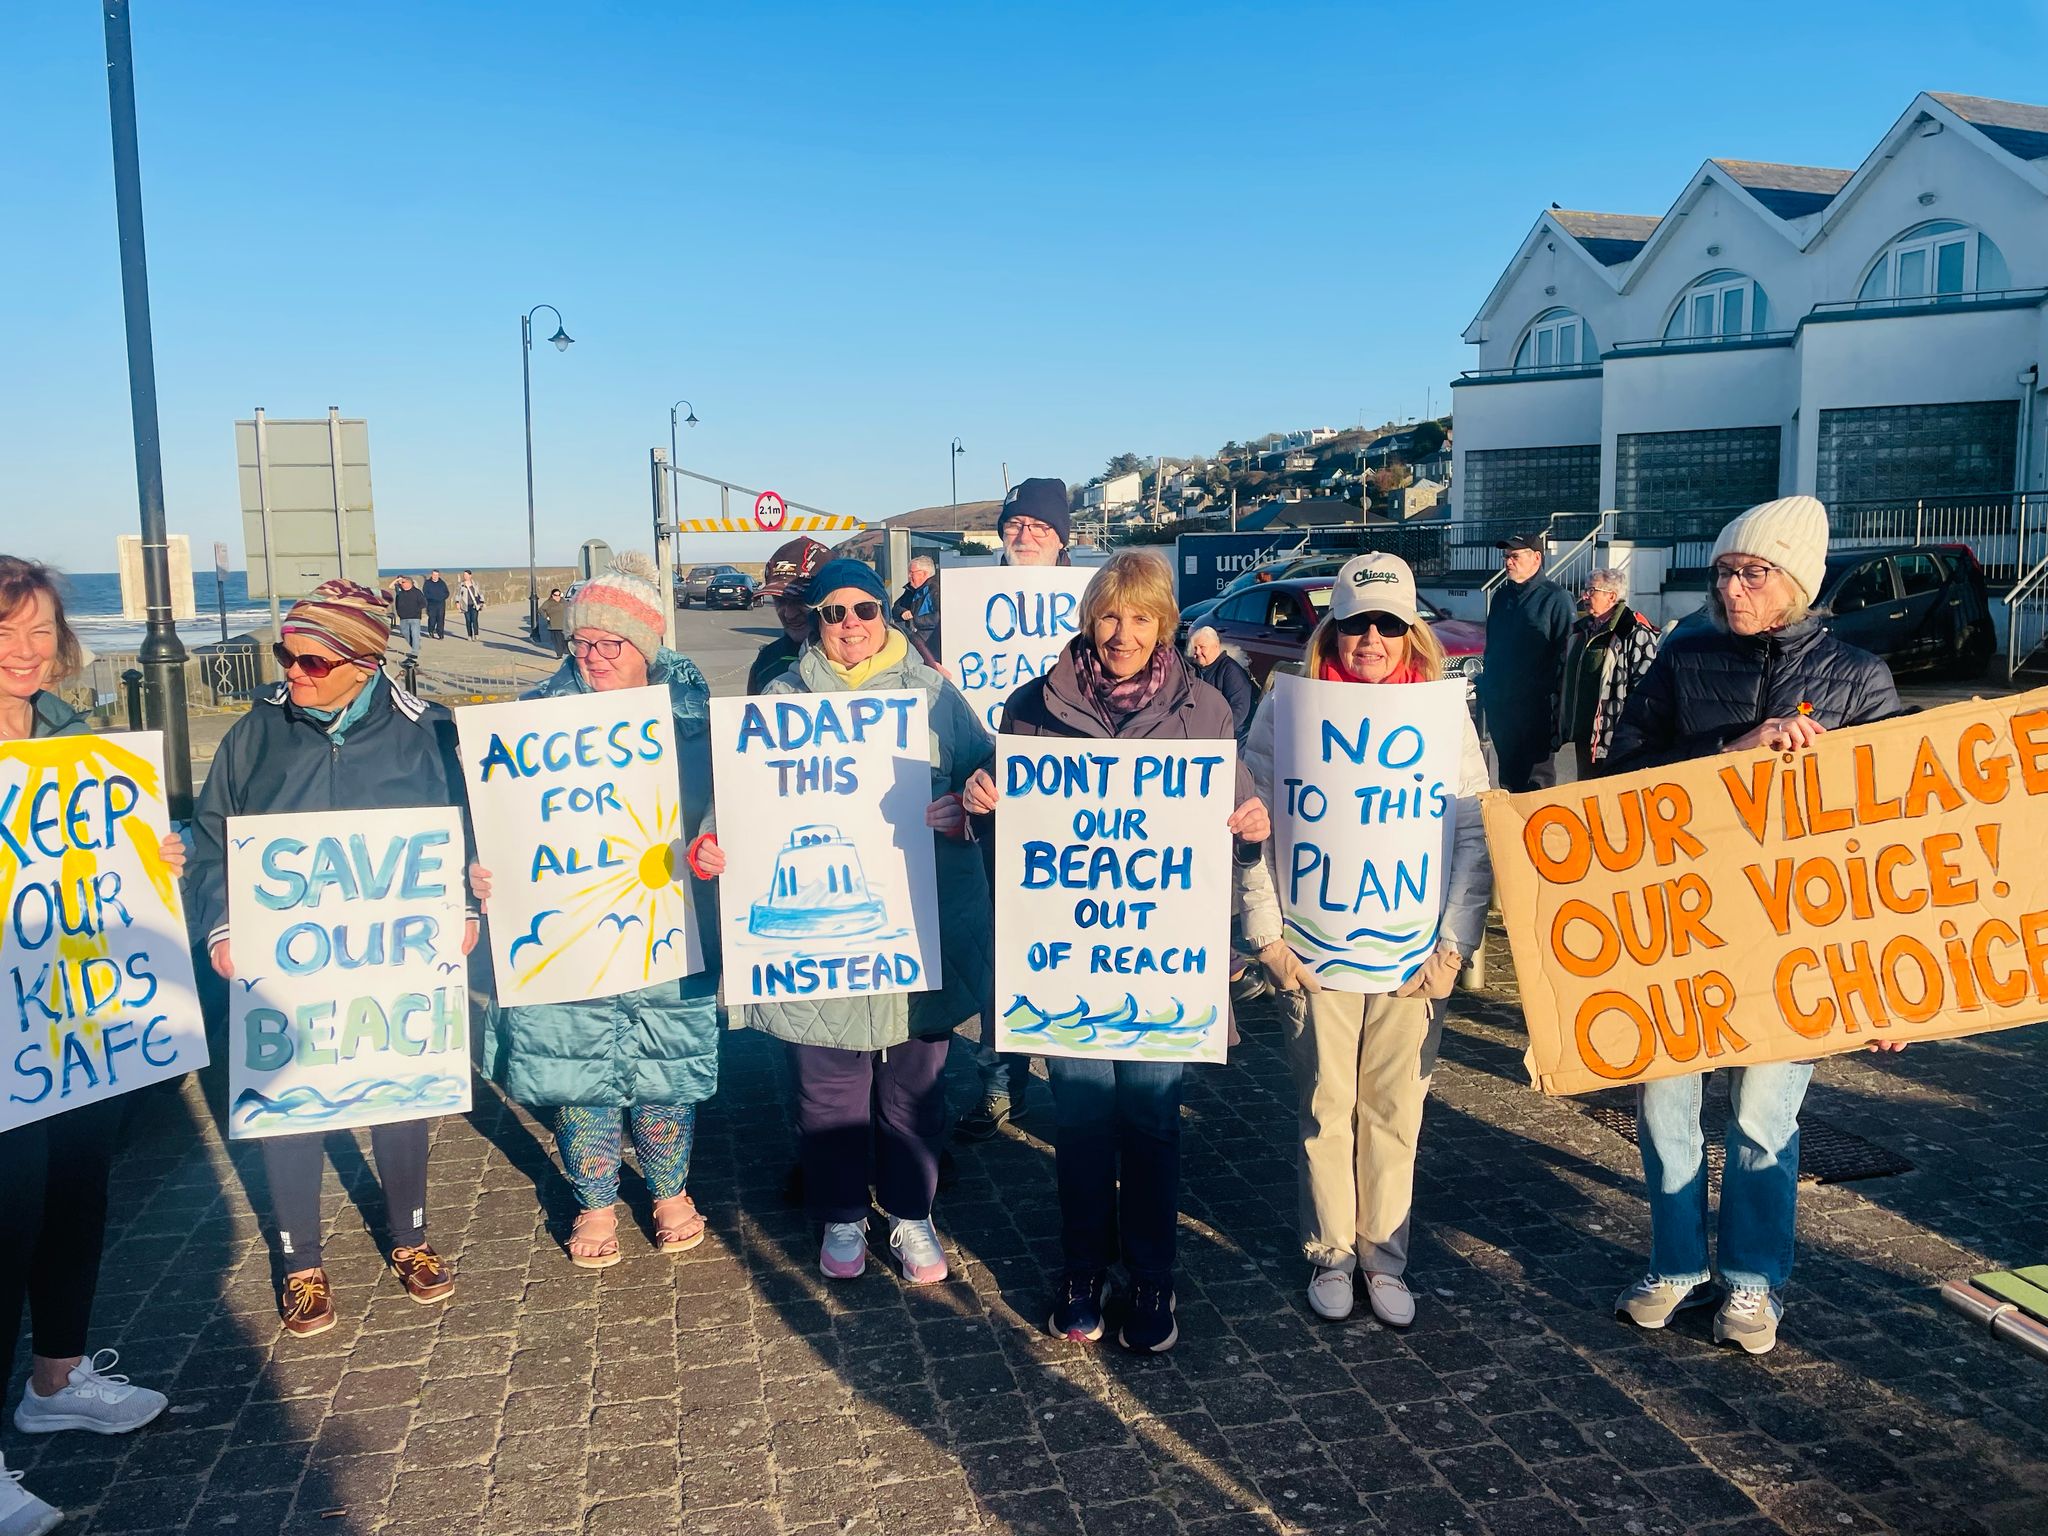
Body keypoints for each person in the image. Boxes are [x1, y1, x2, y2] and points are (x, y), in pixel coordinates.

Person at [1604, 496, 1902, 1355]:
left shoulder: (1858, 678)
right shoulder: (1682, 658)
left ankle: (1752, 1281)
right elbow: (1622, 772)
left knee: (1764, 1117)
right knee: (1665, 1101)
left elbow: (1890, 844)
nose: (1733, 587)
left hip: (1796, 939)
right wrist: (1732, 751)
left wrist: (1885, 986)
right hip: (1685, 923)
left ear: (1796, 585)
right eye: (1726, 571)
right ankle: (1674, 1262)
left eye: (1753, 572)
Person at [962, 551, 1270, 1352]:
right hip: (1068, 962)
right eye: (1109, 616)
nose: (1123, 633)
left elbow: (1235, 824)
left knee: (1154, 1119)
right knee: (1083, 1118)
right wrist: (983, 802)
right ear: (1088, 620)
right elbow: (1011, 832)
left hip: (1161, 965)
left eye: (1140, 617)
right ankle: (1080, 1269)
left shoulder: (1204, 711)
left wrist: (1250, 830)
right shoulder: (1032, 707)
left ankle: (1155, 1274)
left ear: (1164, 623)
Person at [189, 579, 475, 1338]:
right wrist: (220, 927)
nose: (294, 673)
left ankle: (410, 1236)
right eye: (288, 656)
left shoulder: (432, 730)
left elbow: (468, 833)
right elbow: (213, 832)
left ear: (366, 661)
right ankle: (299, 1260)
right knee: (288, 1096)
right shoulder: (258, 731)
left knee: (401, 1088)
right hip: (286, 958)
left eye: (314, 662)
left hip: (395, 958)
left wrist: (467, 909)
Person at [703, 558, 993, 1286]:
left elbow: (989, 776)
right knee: (826, 1090)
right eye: (834, 614)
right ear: (818, 621)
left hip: (920, 930)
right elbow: (738, 796)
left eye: (865, 609)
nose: (852, 626)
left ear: (885, 613)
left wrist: (967, 807)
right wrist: (713, 842)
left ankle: (910, 1213)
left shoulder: (933, 696)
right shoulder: (781, 696)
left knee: (914, 1090)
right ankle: (839, 1213)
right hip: (819, 945)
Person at [1236, 552, 1493, 1328]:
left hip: (1412, 956)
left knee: (1394, 1110)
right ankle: (1331, 1253)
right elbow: (1253, 828)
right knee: (1326, 1106)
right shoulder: (1287, 708)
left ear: (1411, 632)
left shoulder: (1441, 714)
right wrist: (1266, 937)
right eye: (1356, 624)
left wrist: (1454, 946)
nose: (1371, 639)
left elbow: (1473, 835)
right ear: (1331, 631)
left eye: (1388, 624)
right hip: (1315, 951)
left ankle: (1384, 1255)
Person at [0, 558, 183, 1536]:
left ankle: (57, 1380)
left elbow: (118, 846)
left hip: (74, 1021)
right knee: (3, 1220)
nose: (26, 652)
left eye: (39, 632)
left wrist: (157, 852)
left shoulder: (73, 736)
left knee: (76, 1192)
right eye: (6, 632)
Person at [473, 553, 721, 1268]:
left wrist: (714, 843)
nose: (592, 656)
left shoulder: (696, 721)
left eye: (609, 643)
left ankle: (669, 1191)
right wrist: (484, 869)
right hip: (566, 928)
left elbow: (728, 809)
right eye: (580, 642)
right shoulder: (529, 722)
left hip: (667, 919)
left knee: (664, 1065)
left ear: (643, 647)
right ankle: (595, 1200)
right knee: (576, 1066)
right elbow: (496, 819)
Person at [957, 475, 1075, 1140]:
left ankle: (1077, 1070)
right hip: (998, 801)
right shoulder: (972, 600)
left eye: (1039, 525)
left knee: (1075, 940)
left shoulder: (1090, 599)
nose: (1024, 534)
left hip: (1077, 806)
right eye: (1014, 524)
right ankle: (1002, 1080)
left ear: (1062, 536)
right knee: (1005, 949)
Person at [1477, 535, 1572, 792]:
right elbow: (1492, 647)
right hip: (1502, 706)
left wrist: (1558, 711)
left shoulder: (1556, 599)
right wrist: (1488, 690)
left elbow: (1565, 657)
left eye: (1515, 556)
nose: (1508, 562)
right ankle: (1511, 831)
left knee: (1537, 781)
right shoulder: (1501, 597)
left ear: (1536, 558)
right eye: (1506, 557)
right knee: (1507, 778)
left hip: (1536, 709)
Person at [1556, 569, 1659, 779]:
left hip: (1617, 739)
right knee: (1587, 795)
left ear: (1612, 596)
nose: (1584, 596)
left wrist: (1631, 735)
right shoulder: (1581, 630)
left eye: (1591, 590)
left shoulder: (1634, 632)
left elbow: (1646, 691)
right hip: (1585, 736)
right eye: (1585, 590)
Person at [747, 536, 829, 693]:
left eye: (800, 599)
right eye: (779, 600)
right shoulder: (767, 660)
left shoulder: (868, 654)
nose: (789, 614)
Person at [1186, 625, 1257, 748]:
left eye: (1202, 647)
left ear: (1216, 646)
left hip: (1232, 736)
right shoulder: (1194, 670)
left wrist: (1217, 734)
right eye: (1195, 648)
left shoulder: (1231, 671)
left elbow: (1239, 709)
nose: (1197, 652)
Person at [997, 477, 1073, 568]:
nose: (1024, 538)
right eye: (1014, 525)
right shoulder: (980, 581)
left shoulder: (1085, 582)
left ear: (1060, 540)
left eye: (1038, 526)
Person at [892, 554, 941, 658]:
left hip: (931, 645)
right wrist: (902, 611)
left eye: (912, 572)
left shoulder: (936, 590)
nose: (909, 576)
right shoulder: (911, 590)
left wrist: (915, 620)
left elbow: (941, 616)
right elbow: (896, 608)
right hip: (913, 642)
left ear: (924, 574)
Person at [391, 576, 427, 652]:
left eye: (403, 582)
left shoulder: (417, 592)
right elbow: (391, 587)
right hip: (403, 617)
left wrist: (415, 610)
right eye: (401, 582)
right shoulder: (400, 592)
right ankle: (415, 646)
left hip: (414, 618)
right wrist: (398, 580)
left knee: (415, 635)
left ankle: (414, 653)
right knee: (405, 634)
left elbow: (424, 603)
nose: (401, 584)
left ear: (409, 583)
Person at [422, 569, 451, 640]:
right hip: (431, 604)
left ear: (438, 575)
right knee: (432, 619)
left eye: (436, 575)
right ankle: (431, 631)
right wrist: (432, 598)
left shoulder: (442, 583)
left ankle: (440, 634)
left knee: (440, 619)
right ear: (431, 575)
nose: (435, 576)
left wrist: (442, 598)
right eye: (434, 575)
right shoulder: (427, 583)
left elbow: (447, 593)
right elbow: (425, 593)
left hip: (441, 604)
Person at [458, 571, 486, 639]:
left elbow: (480, 593)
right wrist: (457, 603)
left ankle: (476, 634)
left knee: (474, 620)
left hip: (474, 605)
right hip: (465, 605)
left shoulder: (475, 584)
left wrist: (482, 602)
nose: (465, 576)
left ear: (470, 576)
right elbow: (458, 594)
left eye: (466, 575)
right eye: (464, 575)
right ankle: (469, 635)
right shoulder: (461, 585)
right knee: (468, 621)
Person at [540, 587, 567, 656]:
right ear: (552, 595)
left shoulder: (563, 601)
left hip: (564, 624)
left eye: (559, 595)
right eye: (555, 595)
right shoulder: (548, 602)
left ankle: (564, 651)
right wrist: (546, 617)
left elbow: (570, 608)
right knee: (557, 641)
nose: (557, 597)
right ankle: (559, 654)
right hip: (554, 625)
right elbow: (541, 610)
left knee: (564, 640)